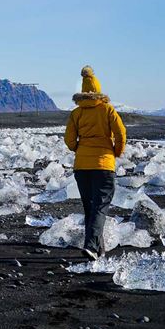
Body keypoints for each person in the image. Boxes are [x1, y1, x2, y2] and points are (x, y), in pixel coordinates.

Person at [64, 66, 126, 260]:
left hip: (82, 167)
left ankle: (99, 250)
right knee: (99, 207)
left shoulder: (76, 113)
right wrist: (115, 152)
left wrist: (78, 149)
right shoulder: (108, 110)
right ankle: (91, 246)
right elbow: (121, 134)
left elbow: (69, 139)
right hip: (104, 166)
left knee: (91, 208)